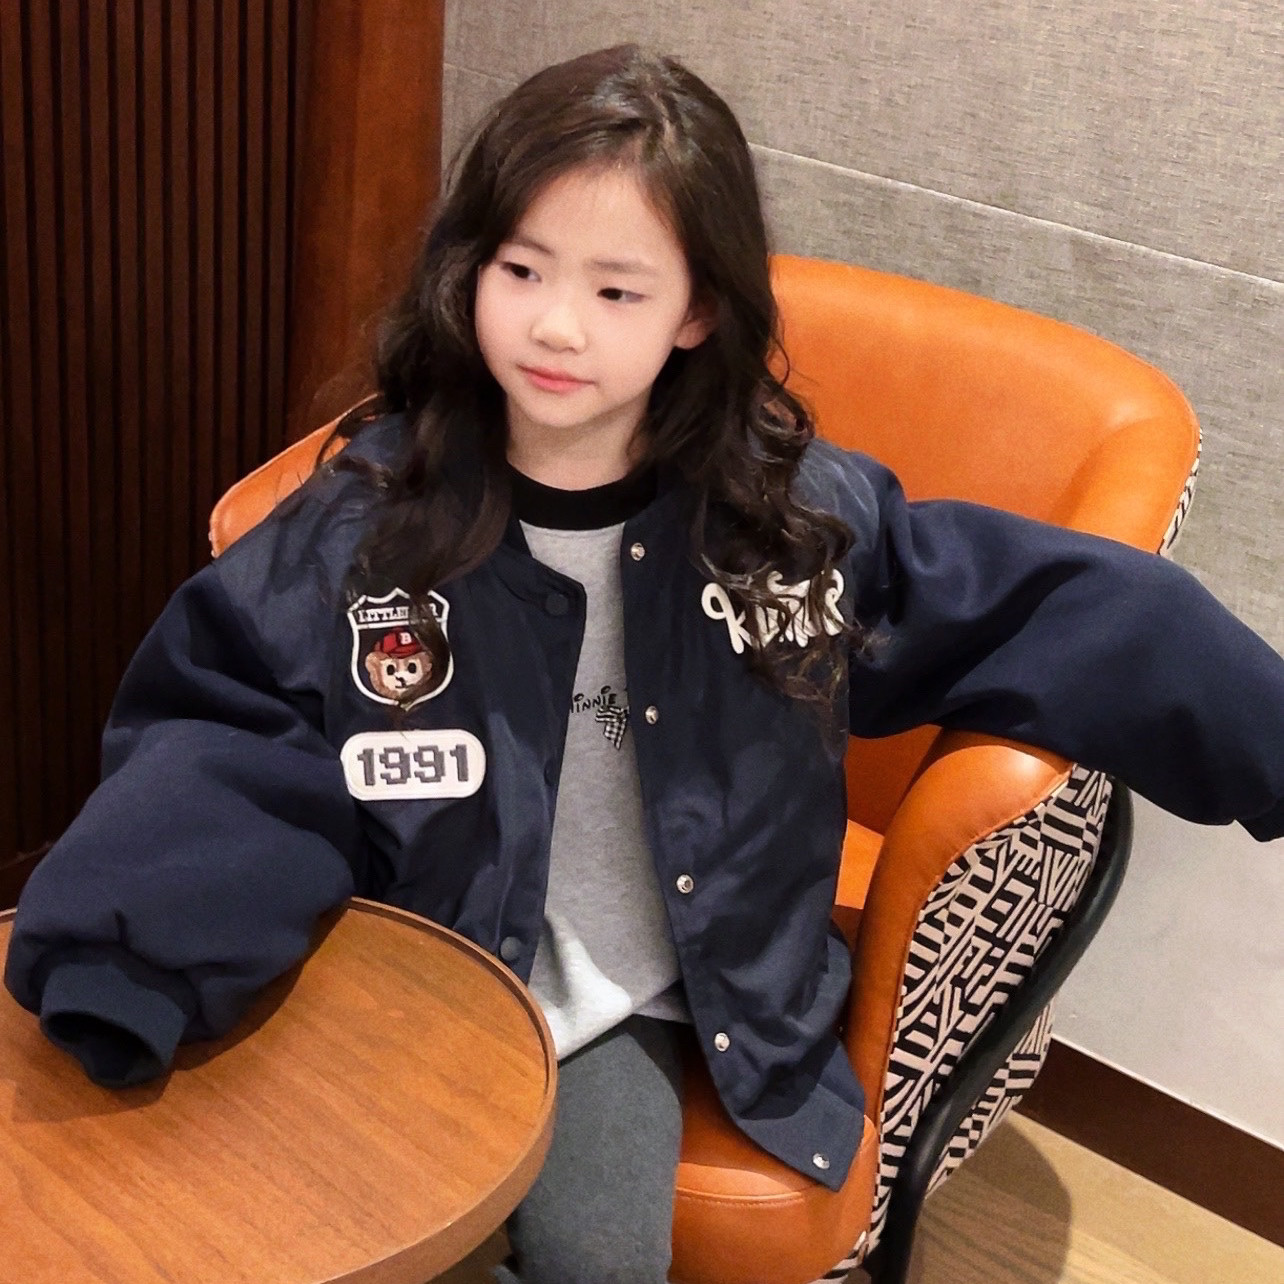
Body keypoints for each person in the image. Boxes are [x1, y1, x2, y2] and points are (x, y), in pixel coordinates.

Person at [6, 43, 1284, 1284]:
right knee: (277, 1212)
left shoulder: (786, 526)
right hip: (415, 960)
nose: (557, 325)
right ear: (470, 268)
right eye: (522, 270)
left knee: (601, 1259)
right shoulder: (374, 520)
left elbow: (1062, 609)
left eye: (618, 292)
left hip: (632, 994)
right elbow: (230, 725)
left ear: (697, 311)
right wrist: (125, 963)